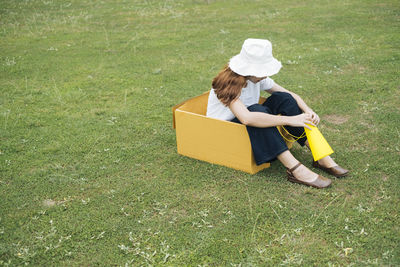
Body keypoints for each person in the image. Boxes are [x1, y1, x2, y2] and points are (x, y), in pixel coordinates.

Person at [206, 38, 349, 188]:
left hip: (248, 122)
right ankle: (295, 169)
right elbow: (247, 118)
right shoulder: (227, 83)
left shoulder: (254, 78)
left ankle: (320, 155)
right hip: (225, 132)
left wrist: (308, 110)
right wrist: (289, 120)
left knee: (284, 99)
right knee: (256, 110)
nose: (265, 74)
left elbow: (289, 94)